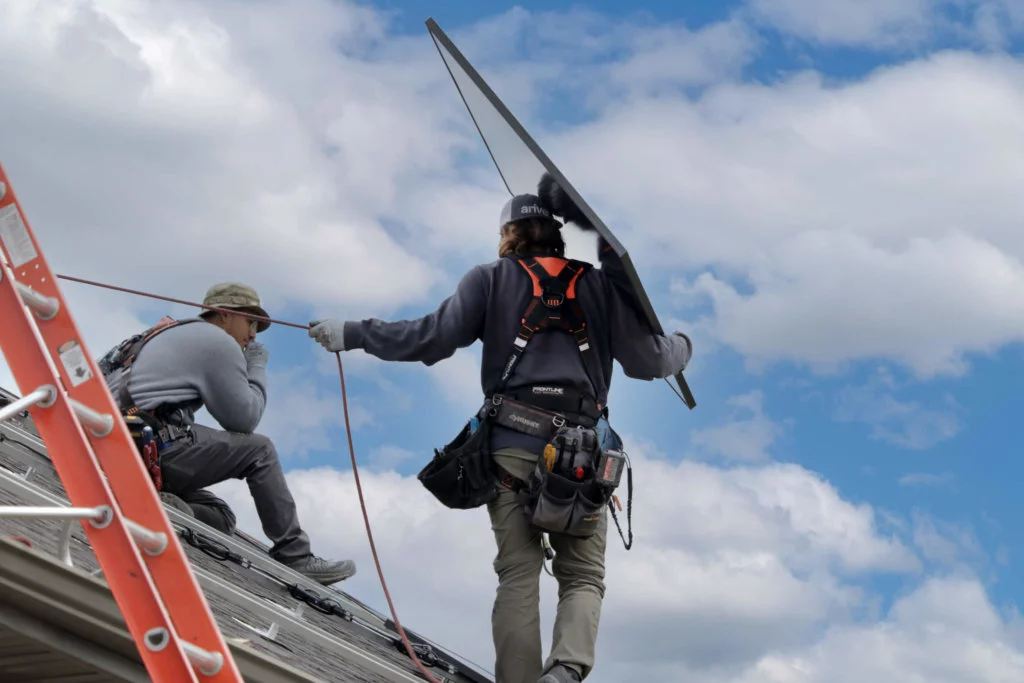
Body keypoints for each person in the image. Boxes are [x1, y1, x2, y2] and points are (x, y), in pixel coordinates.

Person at [309, 190, 692, 682]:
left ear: (508, 234)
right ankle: (566, 671)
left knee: (517, 571)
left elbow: (431, 337)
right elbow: (650, 360)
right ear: (556, 234)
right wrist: (684, 345)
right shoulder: (598, 285)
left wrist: (354, 333)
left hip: (511, 445)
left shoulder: (489, 279)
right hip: (582, 455)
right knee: (582, 576)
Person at [100, 282, 356, 586]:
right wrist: (256, 367)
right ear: (224, 314)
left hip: (107, 442)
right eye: (251, 323)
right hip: (146, 445)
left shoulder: (162, 334)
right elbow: (244, 419)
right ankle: (296, 555)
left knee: (220, 516)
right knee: (260, 450)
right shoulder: (217, 341)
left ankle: (165, 506)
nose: (253, 335)